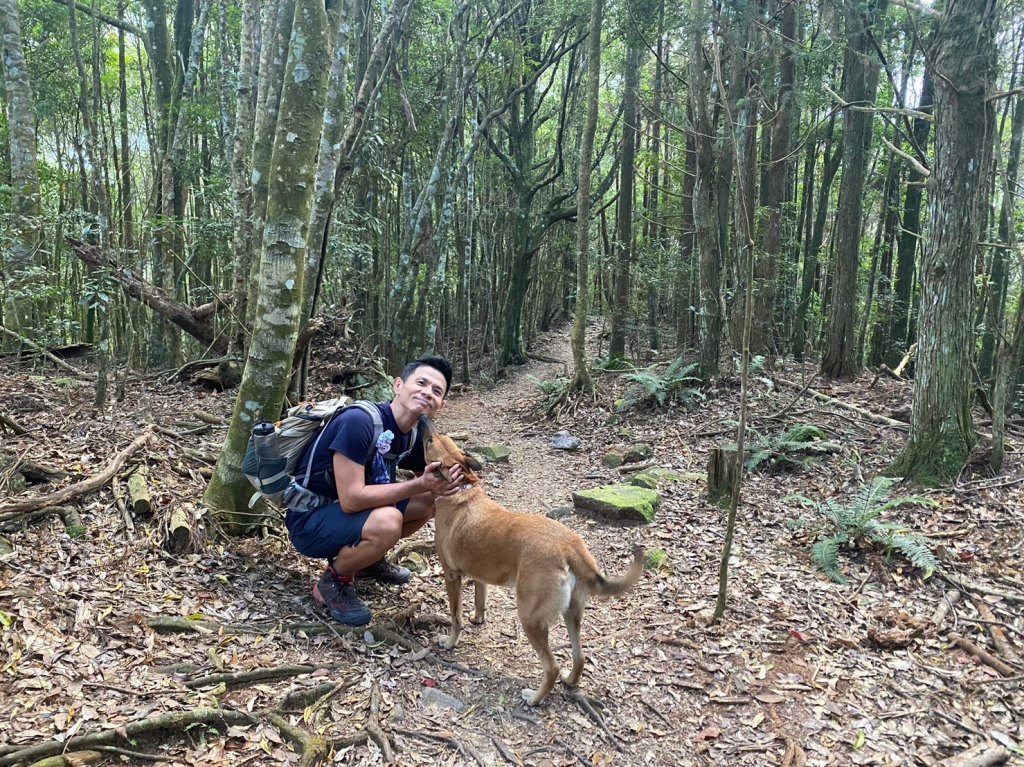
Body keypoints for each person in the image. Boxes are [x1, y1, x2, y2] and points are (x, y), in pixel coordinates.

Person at [285, 355, 464, 626]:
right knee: (388, 521)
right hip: (310, 520)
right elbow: (351, 500)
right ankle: (334, 580)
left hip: (347, 517)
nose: (427, 392)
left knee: (428, 503)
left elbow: (435, 487)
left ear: (441, 404)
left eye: (436, 391)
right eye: (421, 383)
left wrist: (452, 482)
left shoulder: (414, 434)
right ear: (398, 385)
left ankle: (367, 560)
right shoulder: (359, 421)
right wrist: (418, 484)